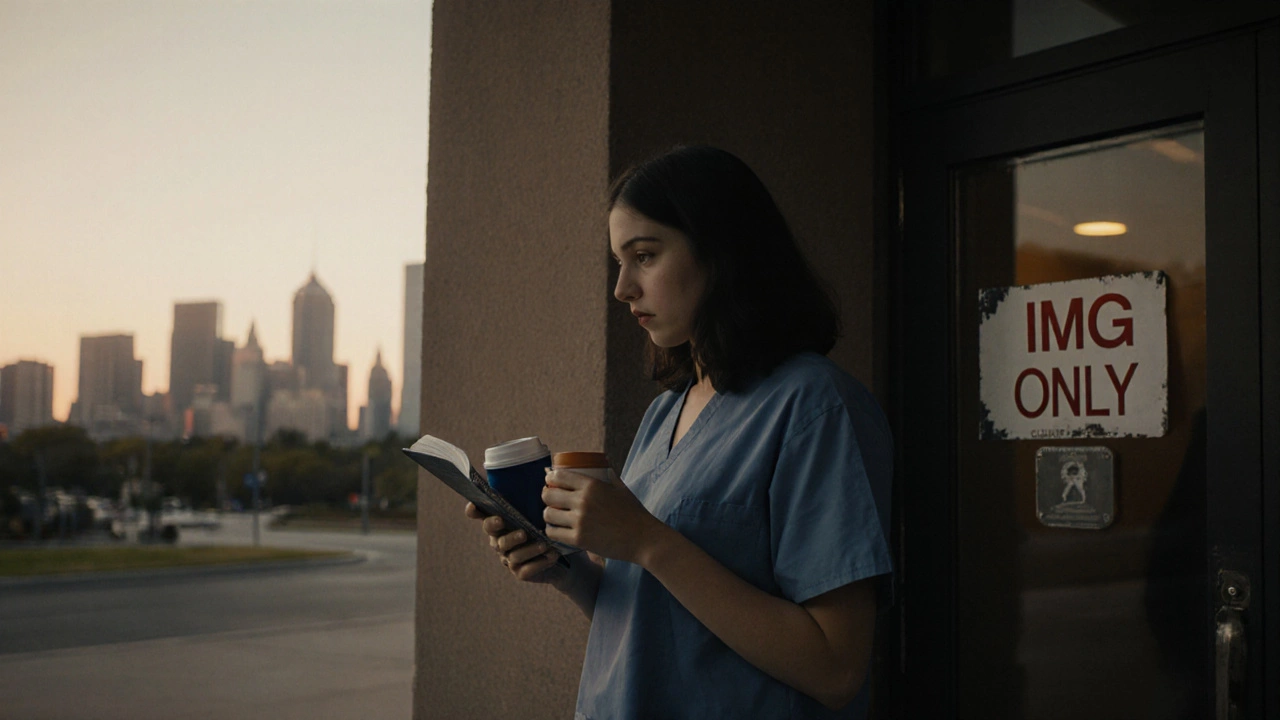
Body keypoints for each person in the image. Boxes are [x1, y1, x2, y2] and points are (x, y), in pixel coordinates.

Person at [465, 145, 893, 719]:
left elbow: (836, 669)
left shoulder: (814, 407)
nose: (622, 288)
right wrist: (566, 570)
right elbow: (656, 621)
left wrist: (647, 540)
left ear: (722, 251)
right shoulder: (666, 412)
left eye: (644, 256)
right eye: (619, 262)